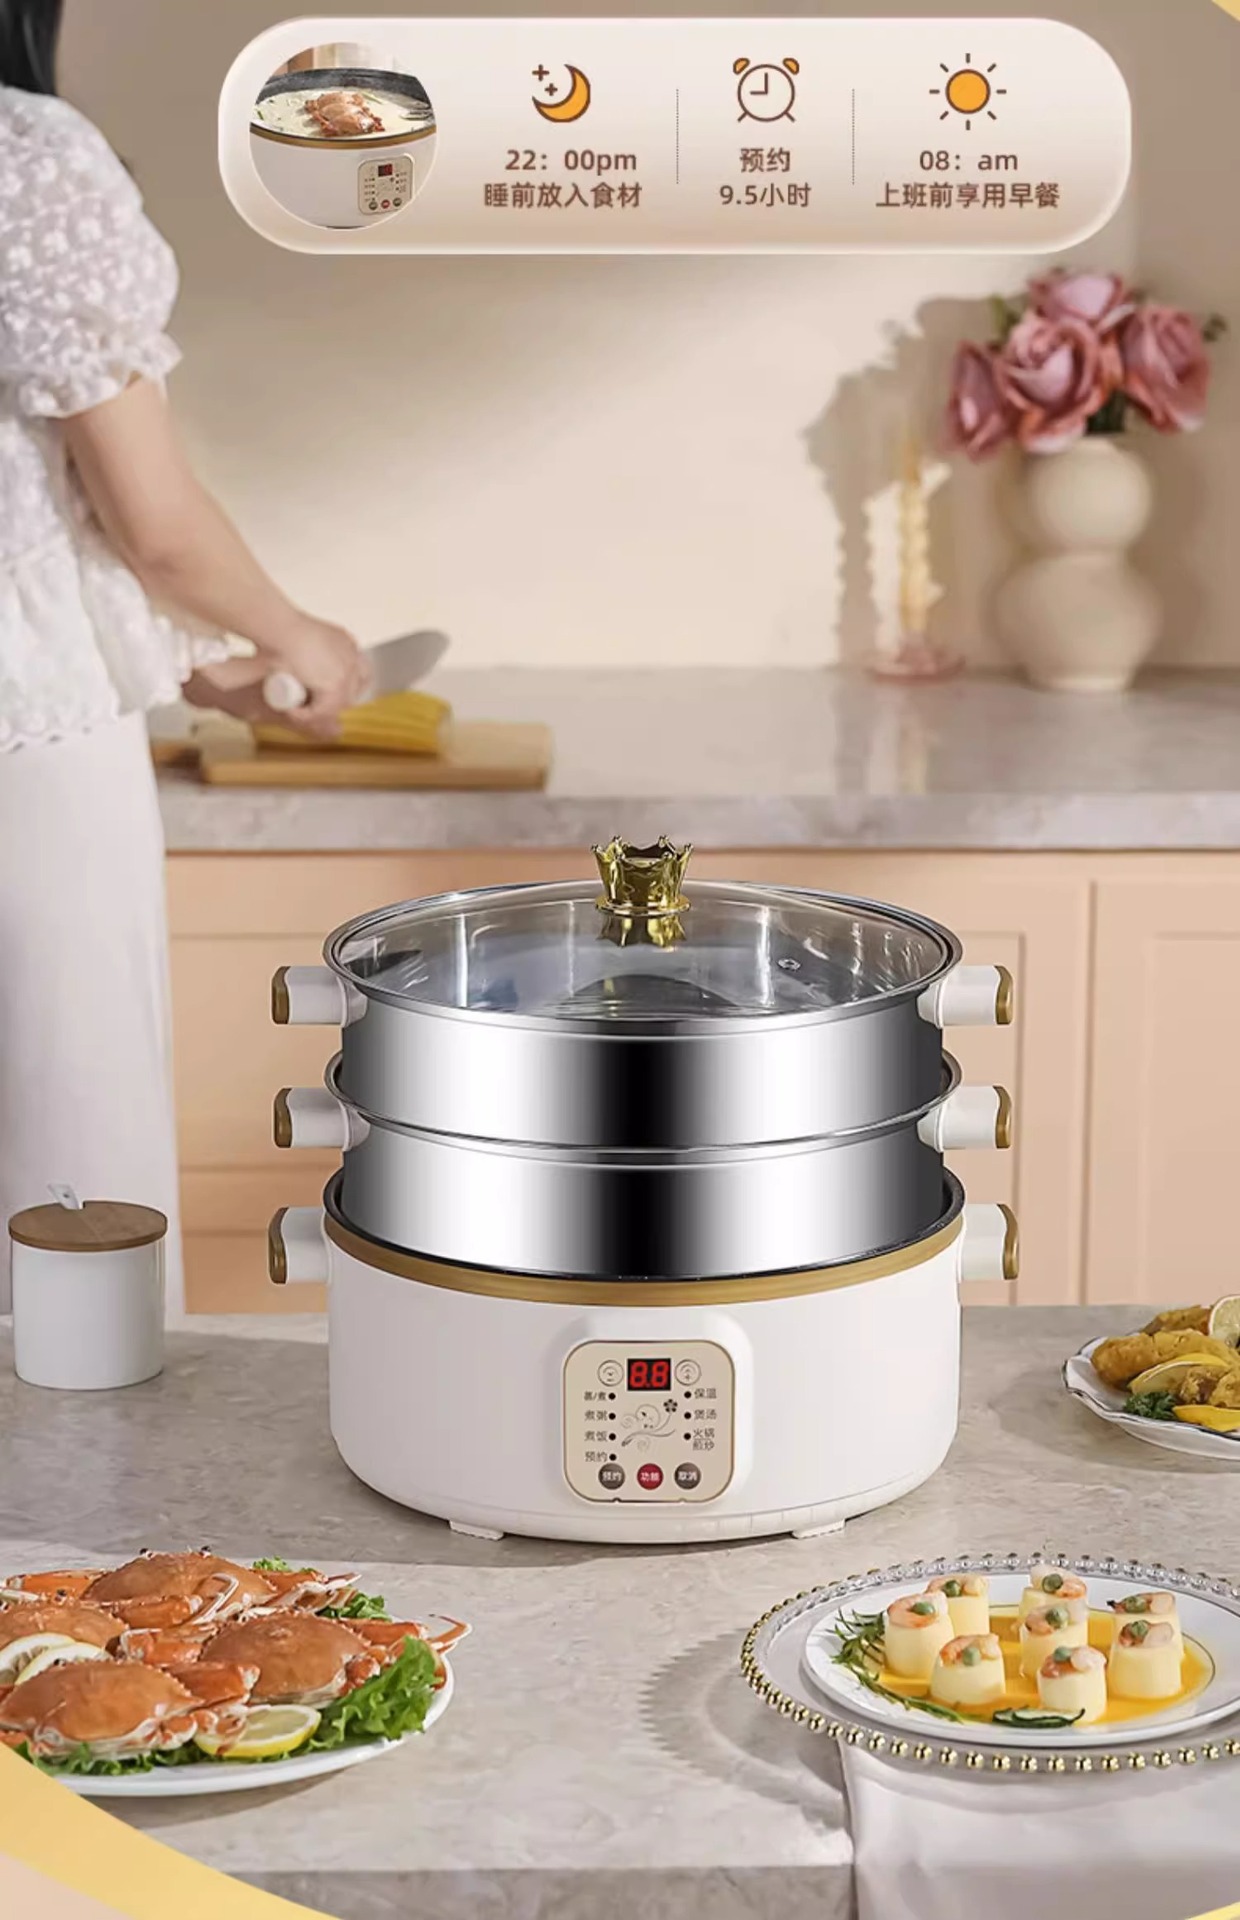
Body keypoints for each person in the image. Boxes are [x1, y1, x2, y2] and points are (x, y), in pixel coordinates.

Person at [0, 0, 369, 1312]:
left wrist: (196, 664)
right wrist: (293, 635)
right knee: (67, 1176)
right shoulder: (27, 158)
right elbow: (148, 523)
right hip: (27, 755)